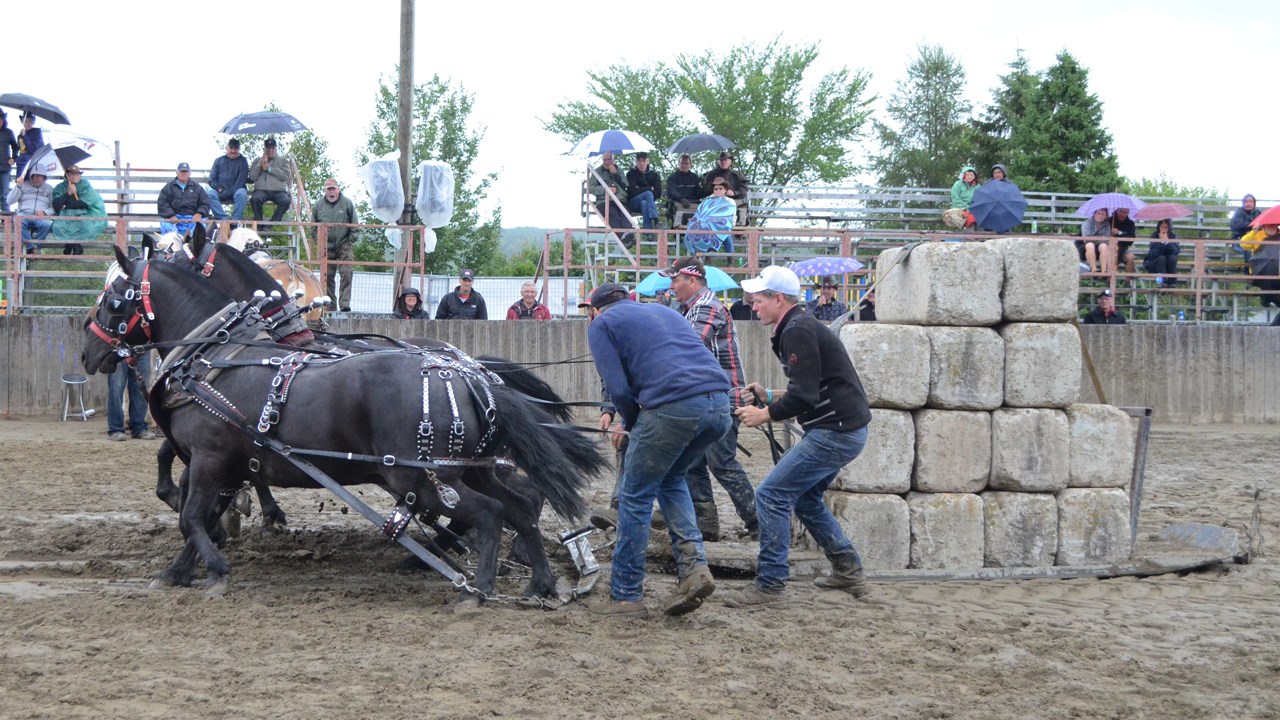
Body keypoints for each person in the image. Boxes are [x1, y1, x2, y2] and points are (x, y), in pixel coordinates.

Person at [723, 265, 874, 606]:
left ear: (778, 299)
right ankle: (848, 570)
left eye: (758, 299)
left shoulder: (798, 330)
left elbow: (805, 395)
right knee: (804, 499)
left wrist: (763, 413)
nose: (753, 305)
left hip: (833, 430)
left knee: (771, 495)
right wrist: (770, 394)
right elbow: (810, 387)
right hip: (844, 429)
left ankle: (770, 584)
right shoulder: (798, 326)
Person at [584, 282, 732, 617]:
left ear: (596, 309)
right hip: (719, 405)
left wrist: (632, 423)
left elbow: (618, 388)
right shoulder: (667, 312)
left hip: (672, 407)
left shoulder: (601, 325)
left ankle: (625, 595)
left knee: (635, 496)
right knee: (671, 479)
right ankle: (694, 570)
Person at [661, 256, 758, 541]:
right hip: (710, 398)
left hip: (724, 397)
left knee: (721, 462)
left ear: (692, 280)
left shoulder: (706, 308)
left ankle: (757, 521)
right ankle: (707, 523)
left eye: (675, 280)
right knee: (692, 461)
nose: (672, 285)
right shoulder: (691, 309)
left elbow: (687, 346)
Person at [312, 178, 358, 312]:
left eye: (333, 188)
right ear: (325, 191)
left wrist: (350, 240)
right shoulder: (318, 205)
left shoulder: (347, 203)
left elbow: (354, 224)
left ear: (338, 189)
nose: (331, 192)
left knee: (347, 273)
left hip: (344, 244)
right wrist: (319, 241)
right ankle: (330, 306)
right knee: (327, 276)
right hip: (326, 245)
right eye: (328, 189)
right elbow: (313, 227)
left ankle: (344, 305)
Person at [51, 165, 108, 255]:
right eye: (71, 174)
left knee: (86, 225)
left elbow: (84, 203)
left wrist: (65, 205)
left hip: (85, 213)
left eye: (77, 174)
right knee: (58, 226)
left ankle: (73, 245)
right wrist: (68, 193)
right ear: (67, 175)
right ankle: (72, 245)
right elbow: (56, 204)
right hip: (65, 215)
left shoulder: (85, 185)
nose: (74, 176)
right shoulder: (60, 187)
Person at [587, 151, 634, 247]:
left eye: (609, 160)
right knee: (612, 215)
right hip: (604, 201)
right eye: (605, 160)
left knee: (625, 213)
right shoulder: (596, 172)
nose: (607, 162)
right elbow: (591, 188)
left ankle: (627, 234)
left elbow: (626, 185)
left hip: (620, 199)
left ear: (613, 160)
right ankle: (622, 238)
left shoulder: (619, 170)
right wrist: (606, 190)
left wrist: (616, 174)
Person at [685, 177, 738, 255]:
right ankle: (705, 257)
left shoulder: (730, 202)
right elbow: (700, 213)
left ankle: (730, 258)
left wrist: (718, 222)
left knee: (726, 233)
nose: (718, 190)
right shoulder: (706, 201)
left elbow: (729, 215)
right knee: (698, 230)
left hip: (723, 225)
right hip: (706, 225)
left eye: (720, 188)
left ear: (725, 190)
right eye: (716, 189)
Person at [107, 359, 156, 441]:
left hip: (142, 349)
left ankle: (139, 428)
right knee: (116, 389)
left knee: (140, 388)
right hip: (118, 349)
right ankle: (115, 429)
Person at [248, 138, 292, 229]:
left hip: (278, 191)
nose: (270, 150)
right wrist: (260, 164)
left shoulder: (283, 161)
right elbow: (252, 177)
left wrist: (269, 169)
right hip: (261, 190)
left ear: (276, 149)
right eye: (268, 148)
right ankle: (259, 224)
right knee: (255, 199)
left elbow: (285, 176)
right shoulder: (257, 160)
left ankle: (271, 223)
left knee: (286, 200)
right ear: (264, 149)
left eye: (272, 148)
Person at [157, 162, 209, 237]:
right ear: (177, 172)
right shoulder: (168, 188)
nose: (183, 173)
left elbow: (205, 203)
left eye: (185, 171)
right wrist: (171, 216)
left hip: (192, 219)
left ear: (190, 173)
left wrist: (198, 214)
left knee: (200, 227)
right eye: (181, 171)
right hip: (174, 219)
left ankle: (192, 246)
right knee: (166, 226)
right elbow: (162, 203)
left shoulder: (197, 188)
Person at [7, 170, 53, 253]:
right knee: (17, 220)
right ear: (31, 176)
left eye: (41, 176)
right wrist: (18, 186)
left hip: (40, 215)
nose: (38, 179)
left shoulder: (49, 188)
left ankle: (36, 246)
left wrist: (45, 212)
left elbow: (53, 207)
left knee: (47, 224)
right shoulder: (23, 185)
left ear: (44, 178)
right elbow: (9, 201)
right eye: (36, 176)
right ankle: (29, 247)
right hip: (24, 213)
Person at [205, 139, 250, 221]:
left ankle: (235, 221)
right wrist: (219, 189)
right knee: (209, 194)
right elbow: (211, 180)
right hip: (220, 191)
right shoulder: (218, 161)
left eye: (235, 148)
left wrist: (229, 192)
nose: (233, 151)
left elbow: (241, 181)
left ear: (239, 149)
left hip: (236, 191)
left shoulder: (243, 161)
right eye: (231, 148)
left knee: (242, 193)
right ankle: (224, 219)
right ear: (227, 148)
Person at [700, 151, 749, 225]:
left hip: (733, 200)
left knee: (742, 206)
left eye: (725, 160)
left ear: (730, 161)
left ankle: (740, 229)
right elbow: (704, 190)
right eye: (721, 160)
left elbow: (744, 189)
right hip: (715, 201)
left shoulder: (737, 175)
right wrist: (715, 192)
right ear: (718, 162)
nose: (723, 162)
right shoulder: (710, 175)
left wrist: (734, 192)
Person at [1247, 222, 1280, 308]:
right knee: (1267, 282)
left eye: (1274, 225)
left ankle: (1270, 300)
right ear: (1264, 226)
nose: (1272, 227)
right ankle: (1267, 299)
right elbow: (1244, 244)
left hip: (1277, 267)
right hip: (1261, 267)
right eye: (1270, 225)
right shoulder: (1257, 235)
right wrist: (1253, 232)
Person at [625, 152, 661, 230]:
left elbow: (658, 193)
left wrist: (639, 189)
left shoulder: (654, 175)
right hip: (633, 203)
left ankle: (648, 232)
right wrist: (649, 188)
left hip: (647, 204)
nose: (641, 163)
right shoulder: (630, 174)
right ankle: (655, 220)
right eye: (639, 161)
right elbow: (632, 192)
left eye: (643, 161)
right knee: (648, 193)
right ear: (636, 162)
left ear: (647, 161)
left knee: (644, 203)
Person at [666, 153, 701, 227]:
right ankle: (678, 229)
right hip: (678, 201)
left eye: (686, 163)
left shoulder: (695, 177)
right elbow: (671, 192)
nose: (684, 165)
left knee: (703, 207)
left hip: (693, 201)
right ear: (678, 164)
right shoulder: (672, 177)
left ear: (690, 165)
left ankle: (697, 229)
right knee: (677, 207)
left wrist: (705, 187)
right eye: (682, 163)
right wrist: (681, 199)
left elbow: (699, 193)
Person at [1143, 219, 1181, 285]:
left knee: (1172, 257)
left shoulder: (1173, 236)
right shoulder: (1154, 236)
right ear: (1158, 227)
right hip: (1154, 263)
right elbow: (1154, 253)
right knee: (1161, 258)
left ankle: (1172, 283)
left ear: (1169, 228)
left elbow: (1176, 251)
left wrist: (1167, 242)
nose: (1163, 229)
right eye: (1161, 227)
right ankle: (1162, 282)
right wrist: (1161, 242)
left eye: (1166, 227)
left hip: (1168, 264)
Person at [943, 165, 979, 230]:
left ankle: (980, 237)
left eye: (971, 175)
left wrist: (973, 207)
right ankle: (969, 238)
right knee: (970, 219)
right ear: (964, 175)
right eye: (967, 175)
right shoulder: (958, 184)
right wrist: (967, 207)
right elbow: (955, 199)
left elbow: (979, 199)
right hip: (959, 208)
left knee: (981, 217)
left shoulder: (977, 186)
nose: (969, 176)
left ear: (974, 176)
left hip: (973, 209)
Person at [1078, 208, 1112, 273]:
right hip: (1084, 248)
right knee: (1090, 245)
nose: (1100, 216)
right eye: (1098, 213)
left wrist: (1095, 238)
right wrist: (1101, 237)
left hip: (1100, 247)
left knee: (1104, 246)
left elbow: (1107, 239)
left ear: (1106, 216)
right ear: (1094, 214)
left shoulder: (1107, 225)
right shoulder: (1087, 223)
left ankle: (1103, 270)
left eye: (1103, 214)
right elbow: (1086, 239)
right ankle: (1094, 269)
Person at [1229, 194, 1262, 261]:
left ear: (1254, 203)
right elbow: (1239, 225)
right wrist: (1253, 226)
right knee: (1249, 250)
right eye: (1246, 202)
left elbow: (1262, 225)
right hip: (1239, 240)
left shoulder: (1257, 212)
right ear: (1243, 203)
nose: (1248, 203)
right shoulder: (1238, 213)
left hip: (1255, 239)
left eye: (1250, 201)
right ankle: (1247, 270)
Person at [14, 112, 44, 182]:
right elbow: (20, 150)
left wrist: (25, 136)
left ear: (33, 122)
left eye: (30, 121)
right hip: (21, 166)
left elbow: (33, 149)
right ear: (22, 122)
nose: (28, 123)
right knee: (20, 187)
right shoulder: (19, 136)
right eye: (25, 121)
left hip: (34, 165)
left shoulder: (37, 133)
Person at [1111, 207, 1137, 274]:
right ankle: (1110, 282)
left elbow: (1131, 238)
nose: (1122, 214)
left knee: (1131, 258)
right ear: (1116, 211)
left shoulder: (1130, 223)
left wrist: (1119, 233)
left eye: (1125, 212)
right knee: (1113, 257)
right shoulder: (1109, 221)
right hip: (1110, 250)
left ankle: (1127, 282)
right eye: (1120, 211)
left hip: (1123, 249)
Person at [0, 111, 18, 211]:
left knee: (5, 194)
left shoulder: (8, 132)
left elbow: (16, 147)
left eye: (1, 119)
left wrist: (14, 158)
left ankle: (5, 219)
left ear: (3, 120)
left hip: (5, 168)